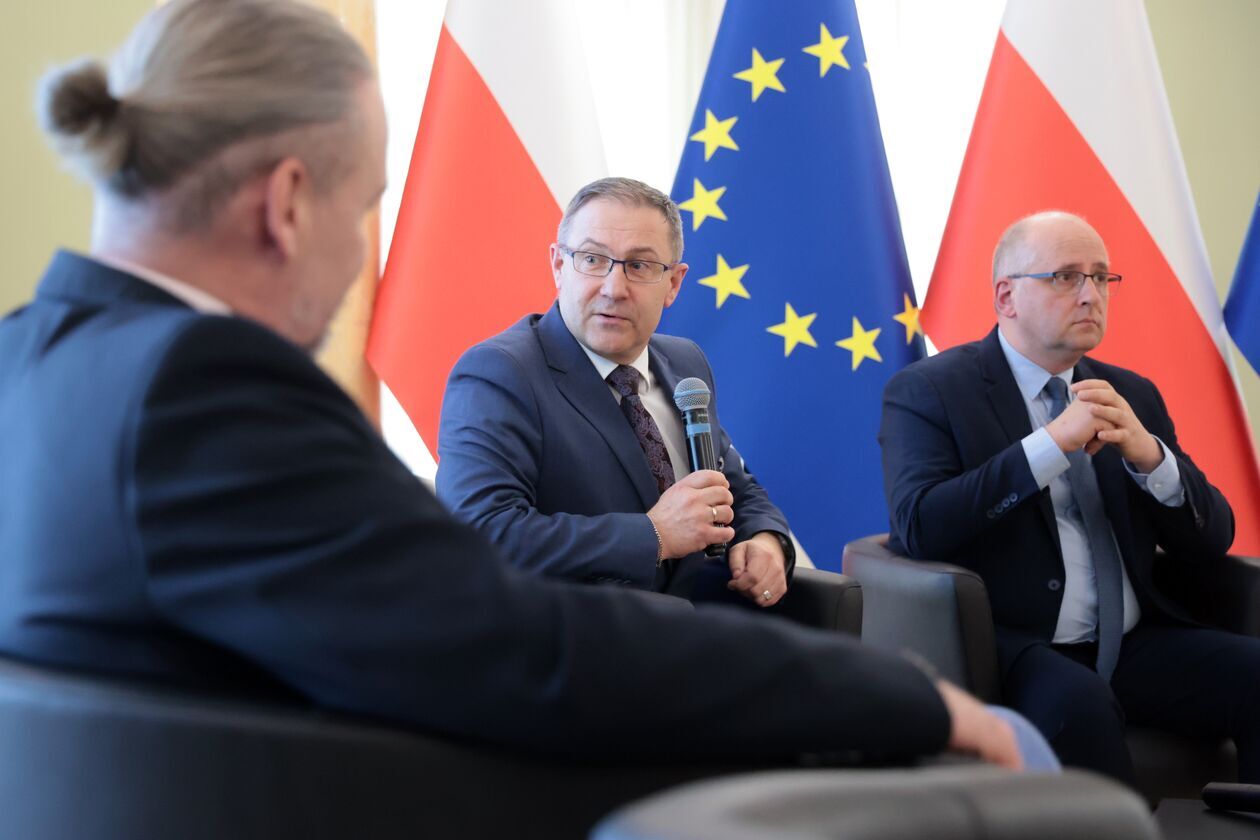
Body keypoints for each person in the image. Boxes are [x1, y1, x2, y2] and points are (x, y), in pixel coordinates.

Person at [0, 0, 1029, 772]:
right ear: (289, 204)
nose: (359, 265)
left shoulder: (28, 355)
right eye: (365, 211)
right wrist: (904, 696)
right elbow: (509, 634)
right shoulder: (211, 390)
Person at [880, 210, 1260, 784]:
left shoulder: (1130, 393)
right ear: (1006, 297)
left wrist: (1151, 459)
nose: (1090, 295)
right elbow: (920, 525)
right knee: (1079, 708)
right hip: (1016, 646)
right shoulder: (929, 390)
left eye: (1101, 277)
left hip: (1133, 641)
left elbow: (1215, 537)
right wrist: (1052, 444)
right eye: (1065, 277)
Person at [438, 178, 792, 608]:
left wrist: (765, 538)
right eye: (592, 259)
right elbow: (482, 533)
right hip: (574, 637)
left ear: (674, 283)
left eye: (639, 266)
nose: (613, 288)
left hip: (695, 628)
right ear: (558, 265)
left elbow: (731, 482)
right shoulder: (500, 373)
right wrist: (654, 536)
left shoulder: (686, 363)